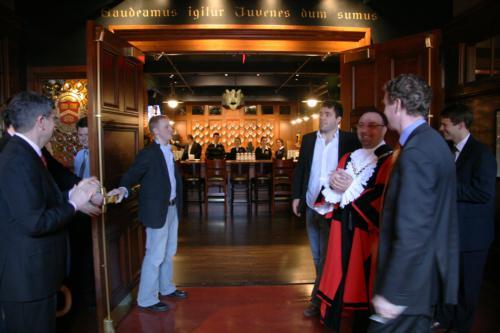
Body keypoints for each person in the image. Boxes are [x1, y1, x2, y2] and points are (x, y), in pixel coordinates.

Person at [0, 91, 100, 333]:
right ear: (41, 122)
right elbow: (35, 222)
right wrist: (73, 204)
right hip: (26, 278)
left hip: (36, 275)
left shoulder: (29, 153)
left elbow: (41, 199)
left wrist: (75, 193)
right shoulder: (16, 159)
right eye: (54, 119)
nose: (57, 124)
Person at [370, 74, 459, 332]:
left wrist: (393, 293)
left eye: (385, 104)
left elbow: (414, 230)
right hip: (422, 282)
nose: (384, 111)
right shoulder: (433, 142)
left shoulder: (417, 152)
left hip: (408, 289)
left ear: (397, 104)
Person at [317, 110, 393, 332]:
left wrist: (348, 189)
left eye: (372, 125)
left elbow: (383, 197)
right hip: (342, 227)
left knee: (362, 279)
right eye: (361, 125)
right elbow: (331, 193)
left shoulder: (390, 159)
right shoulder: (349, 156)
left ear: (384, 129)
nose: (365, 130)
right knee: (337, 274)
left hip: (366, 230)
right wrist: (333, 184)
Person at [108, 115, 186, 312]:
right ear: (156, 131)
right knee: (155, 255)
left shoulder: (169, 151)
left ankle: (166, 287)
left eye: (170, 126)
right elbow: (132, 173)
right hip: (156, 210)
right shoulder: (148, 153)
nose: (171, 129)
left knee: (169, 252)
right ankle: (147, 299)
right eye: (166, 127)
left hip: (171, 208)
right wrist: (123, 189)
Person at [292, 100, 360, 318]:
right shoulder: (309, 139)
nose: (322, 118)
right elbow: (302, 168)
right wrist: (296, 196)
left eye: (327, 114)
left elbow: (356, 170)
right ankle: (325, 296)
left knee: (328, 256)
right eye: (321, 114)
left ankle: (318, 301)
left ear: (338, 119)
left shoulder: (350, 140)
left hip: (335, 208)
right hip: (312, 205)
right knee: (316, 255)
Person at [435, 103, 496, 333]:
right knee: (449, 284)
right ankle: (445, 320)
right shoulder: (447, 151)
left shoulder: (482, 154)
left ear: (461, 124)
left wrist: (446, 187)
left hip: (472, 237)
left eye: (445, 124)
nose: (441, 129)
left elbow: (484, 193)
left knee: (467, 289)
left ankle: (460, 328)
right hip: (450, 233)